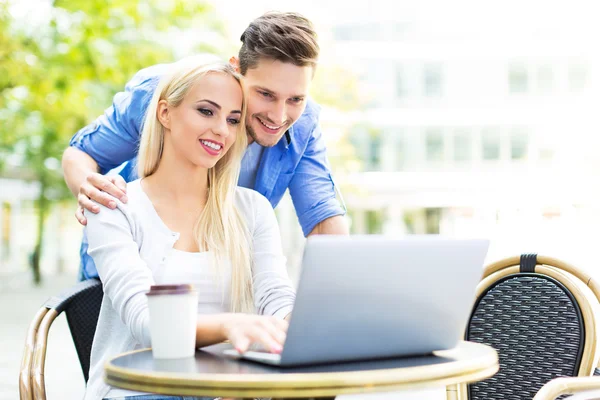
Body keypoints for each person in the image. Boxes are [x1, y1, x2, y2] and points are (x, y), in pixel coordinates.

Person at [62, 12, 349, 281]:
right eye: (265, 94)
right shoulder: (166, 93)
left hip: (217, 282)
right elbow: (81, 154)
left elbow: (324, 221)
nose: (279, 115)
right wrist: (91, 192)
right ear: (236, 69)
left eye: (296, 99)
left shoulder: (302, 126)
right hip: (120, 271)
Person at [84, 61, 296, 400]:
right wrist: (230, 325)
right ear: (165, 113)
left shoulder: (252, 209)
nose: (222, 131)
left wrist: (301, 324)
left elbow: (275, 296)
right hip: (138, 391)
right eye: (206, 111)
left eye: (232, 120)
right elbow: (146, 322)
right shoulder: (115, 205)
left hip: (225, 391)